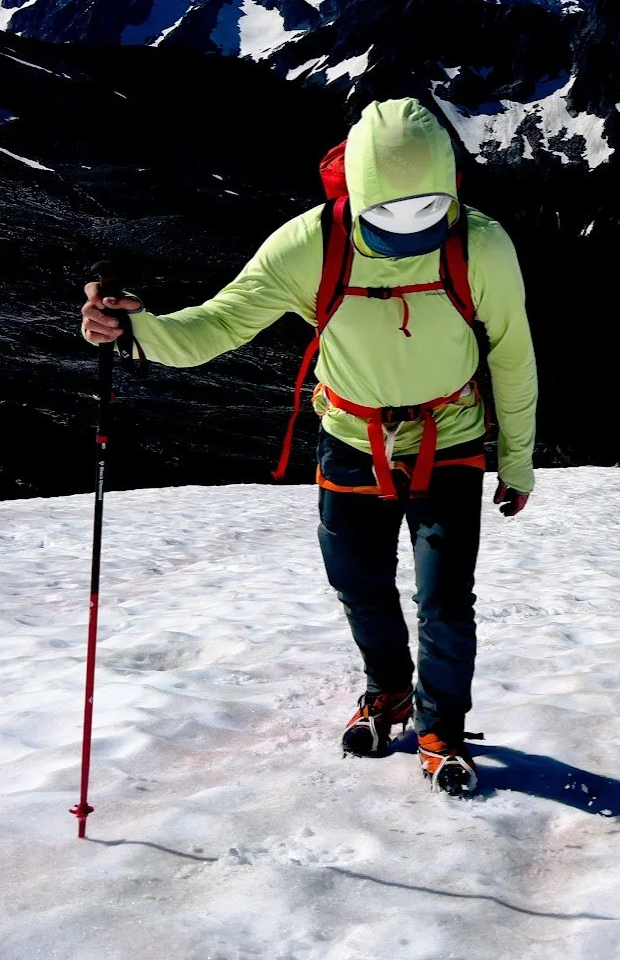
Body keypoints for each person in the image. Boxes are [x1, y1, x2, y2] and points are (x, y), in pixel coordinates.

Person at [80, 98, 537, 795]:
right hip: (353, 438)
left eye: (428, 213)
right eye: (390, 216)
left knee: (444, 600)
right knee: (359, 583)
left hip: (447, 439)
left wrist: (516, 461)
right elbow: (219, 325)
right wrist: (136, 329)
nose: (412, 232)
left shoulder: (479, 244)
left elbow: (512, 353)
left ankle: (441, 724)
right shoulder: (310, 245)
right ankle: (389, 691)